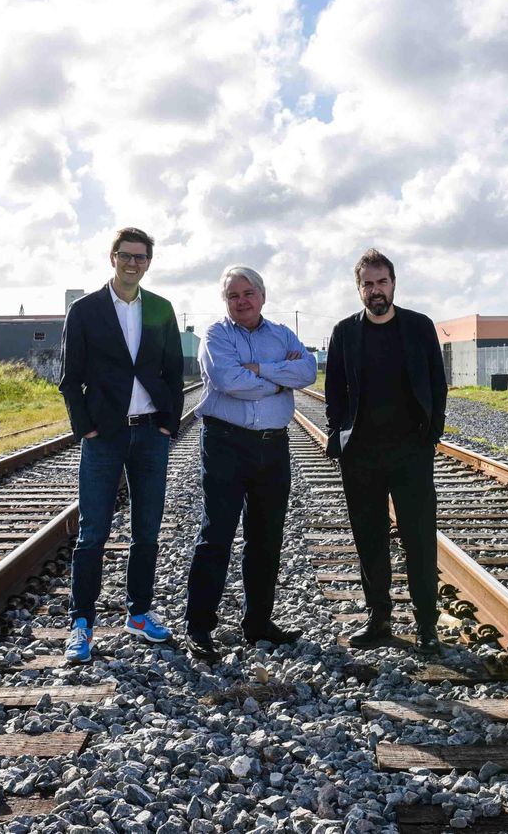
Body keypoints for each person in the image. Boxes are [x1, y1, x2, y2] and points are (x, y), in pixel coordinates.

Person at [58, 227, 186, 664]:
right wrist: (86, 428)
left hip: (151, 434)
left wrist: (169, 425)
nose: (133, 263)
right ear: (112, 257)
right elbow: (69, 378)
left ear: (149, 262)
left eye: (141, 257)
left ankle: (139, 613)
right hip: (105, 436)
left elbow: (174, 372)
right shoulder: (86, 311)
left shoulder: (161, 309)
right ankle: (81, 624)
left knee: (146, 531)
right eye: (126, 256)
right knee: (93, 533)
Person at [183, 266, 318, 662]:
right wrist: (281, 377)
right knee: (217, 534)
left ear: (262, 295)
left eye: (248, 293)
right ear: (224, 301)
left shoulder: (282, 334)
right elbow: (229, 381)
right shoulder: (216, 335)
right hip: (226, 442)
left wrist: (260, 370)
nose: (241, 301)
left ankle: (258, 623)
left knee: (266, 536)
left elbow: (307, 371)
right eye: (232, 296)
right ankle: (199, 628)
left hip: (273, 446)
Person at [322, 248, 447, 656]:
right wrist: (337, 434)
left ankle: (427, 624)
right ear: (358, 289)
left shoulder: (419, 327)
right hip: (361, 455)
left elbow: (436, 383)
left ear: (393, 283)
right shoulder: (344, 332)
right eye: (368, 284)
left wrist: (431, 436)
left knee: (419, 539)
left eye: (382, 282)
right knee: (369, 540)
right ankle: (379, 619)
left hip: (410, 452)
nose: (376, 291)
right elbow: (334, 391)